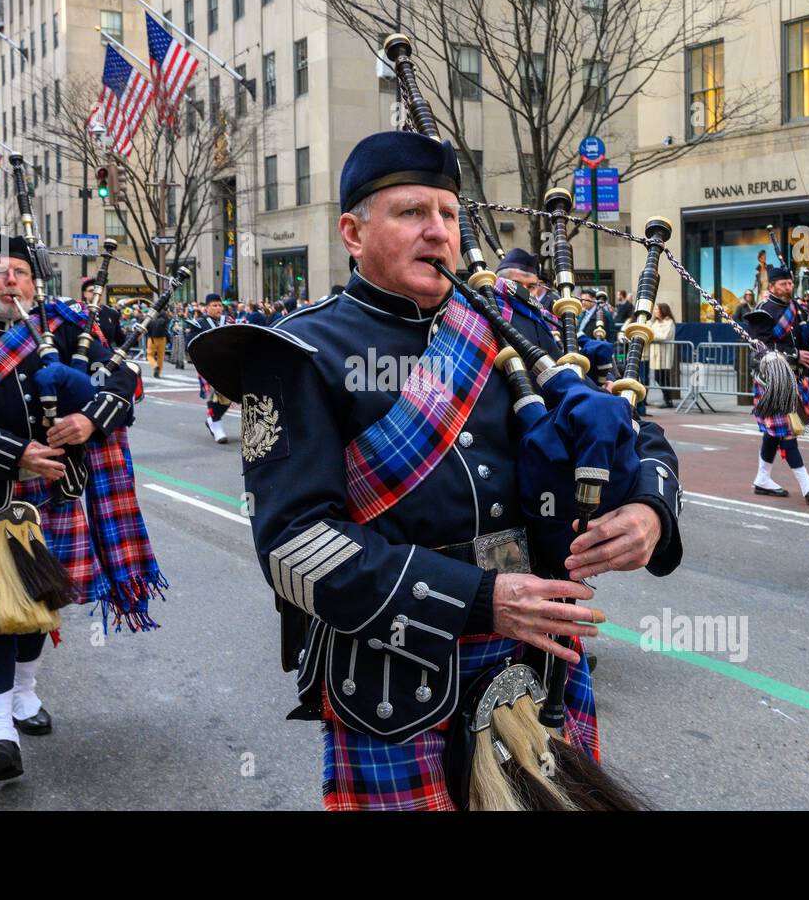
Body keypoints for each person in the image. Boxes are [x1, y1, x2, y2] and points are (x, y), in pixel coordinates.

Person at [187, 130, 683, 811]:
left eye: (449, 215)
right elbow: (296, 549)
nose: (438, 232)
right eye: (412, 213)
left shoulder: (511, 324)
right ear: (353, 234)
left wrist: (650, 510)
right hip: (395, 681)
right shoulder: (298, 353)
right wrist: (480, 600)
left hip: (537, 660)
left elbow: (632, 429)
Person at [0, 236, 146, 781]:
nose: (10, 280)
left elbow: (125, 377)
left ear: (34, 282)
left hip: (56, 492)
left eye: (19, 271)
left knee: (42, 598)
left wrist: (89, 420)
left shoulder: (66, 330)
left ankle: (24, 692)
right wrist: (17, 451)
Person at [744, 265, 809, 503]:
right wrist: (795, 355)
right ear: (771, 287)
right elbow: (760, 348)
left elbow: (799, 337)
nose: (788, 287)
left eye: (790, 283)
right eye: (783, 284)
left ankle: (762, 478)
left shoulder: (796, 308)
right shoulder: (763, 311)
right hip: (772, 378)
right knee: (787, 431)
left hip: (794, 376)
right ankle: (806, 484)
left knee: (774, 433)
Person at [184, 293, 235, 443]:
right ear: (207, 308)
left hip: (228, 364)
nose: (218, 308)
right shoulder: (199, 324)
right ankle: (216, 424)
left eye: (220, 305)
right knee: (215, 394)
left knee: (229, 395)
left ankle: (212, 420)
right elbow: (190, 344)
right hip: (208, 365)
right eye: (214, 305)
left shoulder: (229, 321)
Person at [650, 302, 678, 408]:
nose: (655, 311)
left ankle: (668, 400)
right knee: (659, 376)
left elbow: (664, 336)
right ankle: (667, 399)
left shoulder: (669, 322)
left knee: (663, 377)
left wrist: (652, 335)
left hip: (665, 353)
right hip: (656, 353)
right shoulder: (655, 322)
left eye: (657, 309)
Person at [145, 307, 170, 378]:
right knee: (160, 356)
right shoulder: (164, 319)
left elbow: (146, 329)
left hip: (152, 339)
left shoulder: (150, 319)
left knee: (149, 355)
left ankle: (155, 365)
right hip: (162, 338)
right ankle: (158, 373)